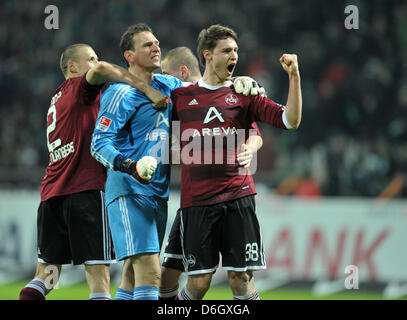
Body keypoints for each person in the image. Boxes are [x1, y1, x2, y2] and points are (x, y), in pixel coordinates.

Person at [90, 24, 262, 300]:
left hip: (157, 193)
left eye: (157, 42)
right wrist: (129, 166)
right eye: (147, 45)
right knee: (151, 272)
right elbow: (98, 144)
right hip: (128, 189)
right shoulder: (119, 93)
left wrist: (242, 83)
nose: (156, 47)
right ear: (129, 56)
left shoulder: (168, 86)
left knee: (133, 275)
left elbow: (209, 89)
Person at [18, 43, 168, 300]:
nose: (95, 62)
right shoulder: (80, 89)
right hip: (85, 192)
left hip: (52, 194)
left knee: (46, 275)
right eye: (90, 58)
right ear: (72, 67)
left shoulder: (57, 98)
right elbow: (103, 68)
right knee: (98, 276)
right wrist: (145, 87)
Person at [170, 24, 302, 300]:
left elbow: (290, 120)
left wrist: (294, 77)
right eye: (227, 51)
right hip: (197, 202)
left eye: (236, 51)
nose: (234, 56)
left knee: (241, 278)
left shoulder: (245, 93)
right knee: (199, 283)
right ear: (207, 55)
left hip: (237, 197)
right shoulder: (180, 96)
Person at [159, 46, 263, 299]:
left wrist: (249, 147)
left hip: (227, 197)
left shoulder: (234, 91)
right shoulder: (177, 99)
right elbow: (169, 142)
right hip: (194, 201)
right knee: (170, 272)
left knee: (232, 276)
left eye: (165, 73)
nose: (162, 79)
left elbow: (254, 134)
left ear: (182, 71)